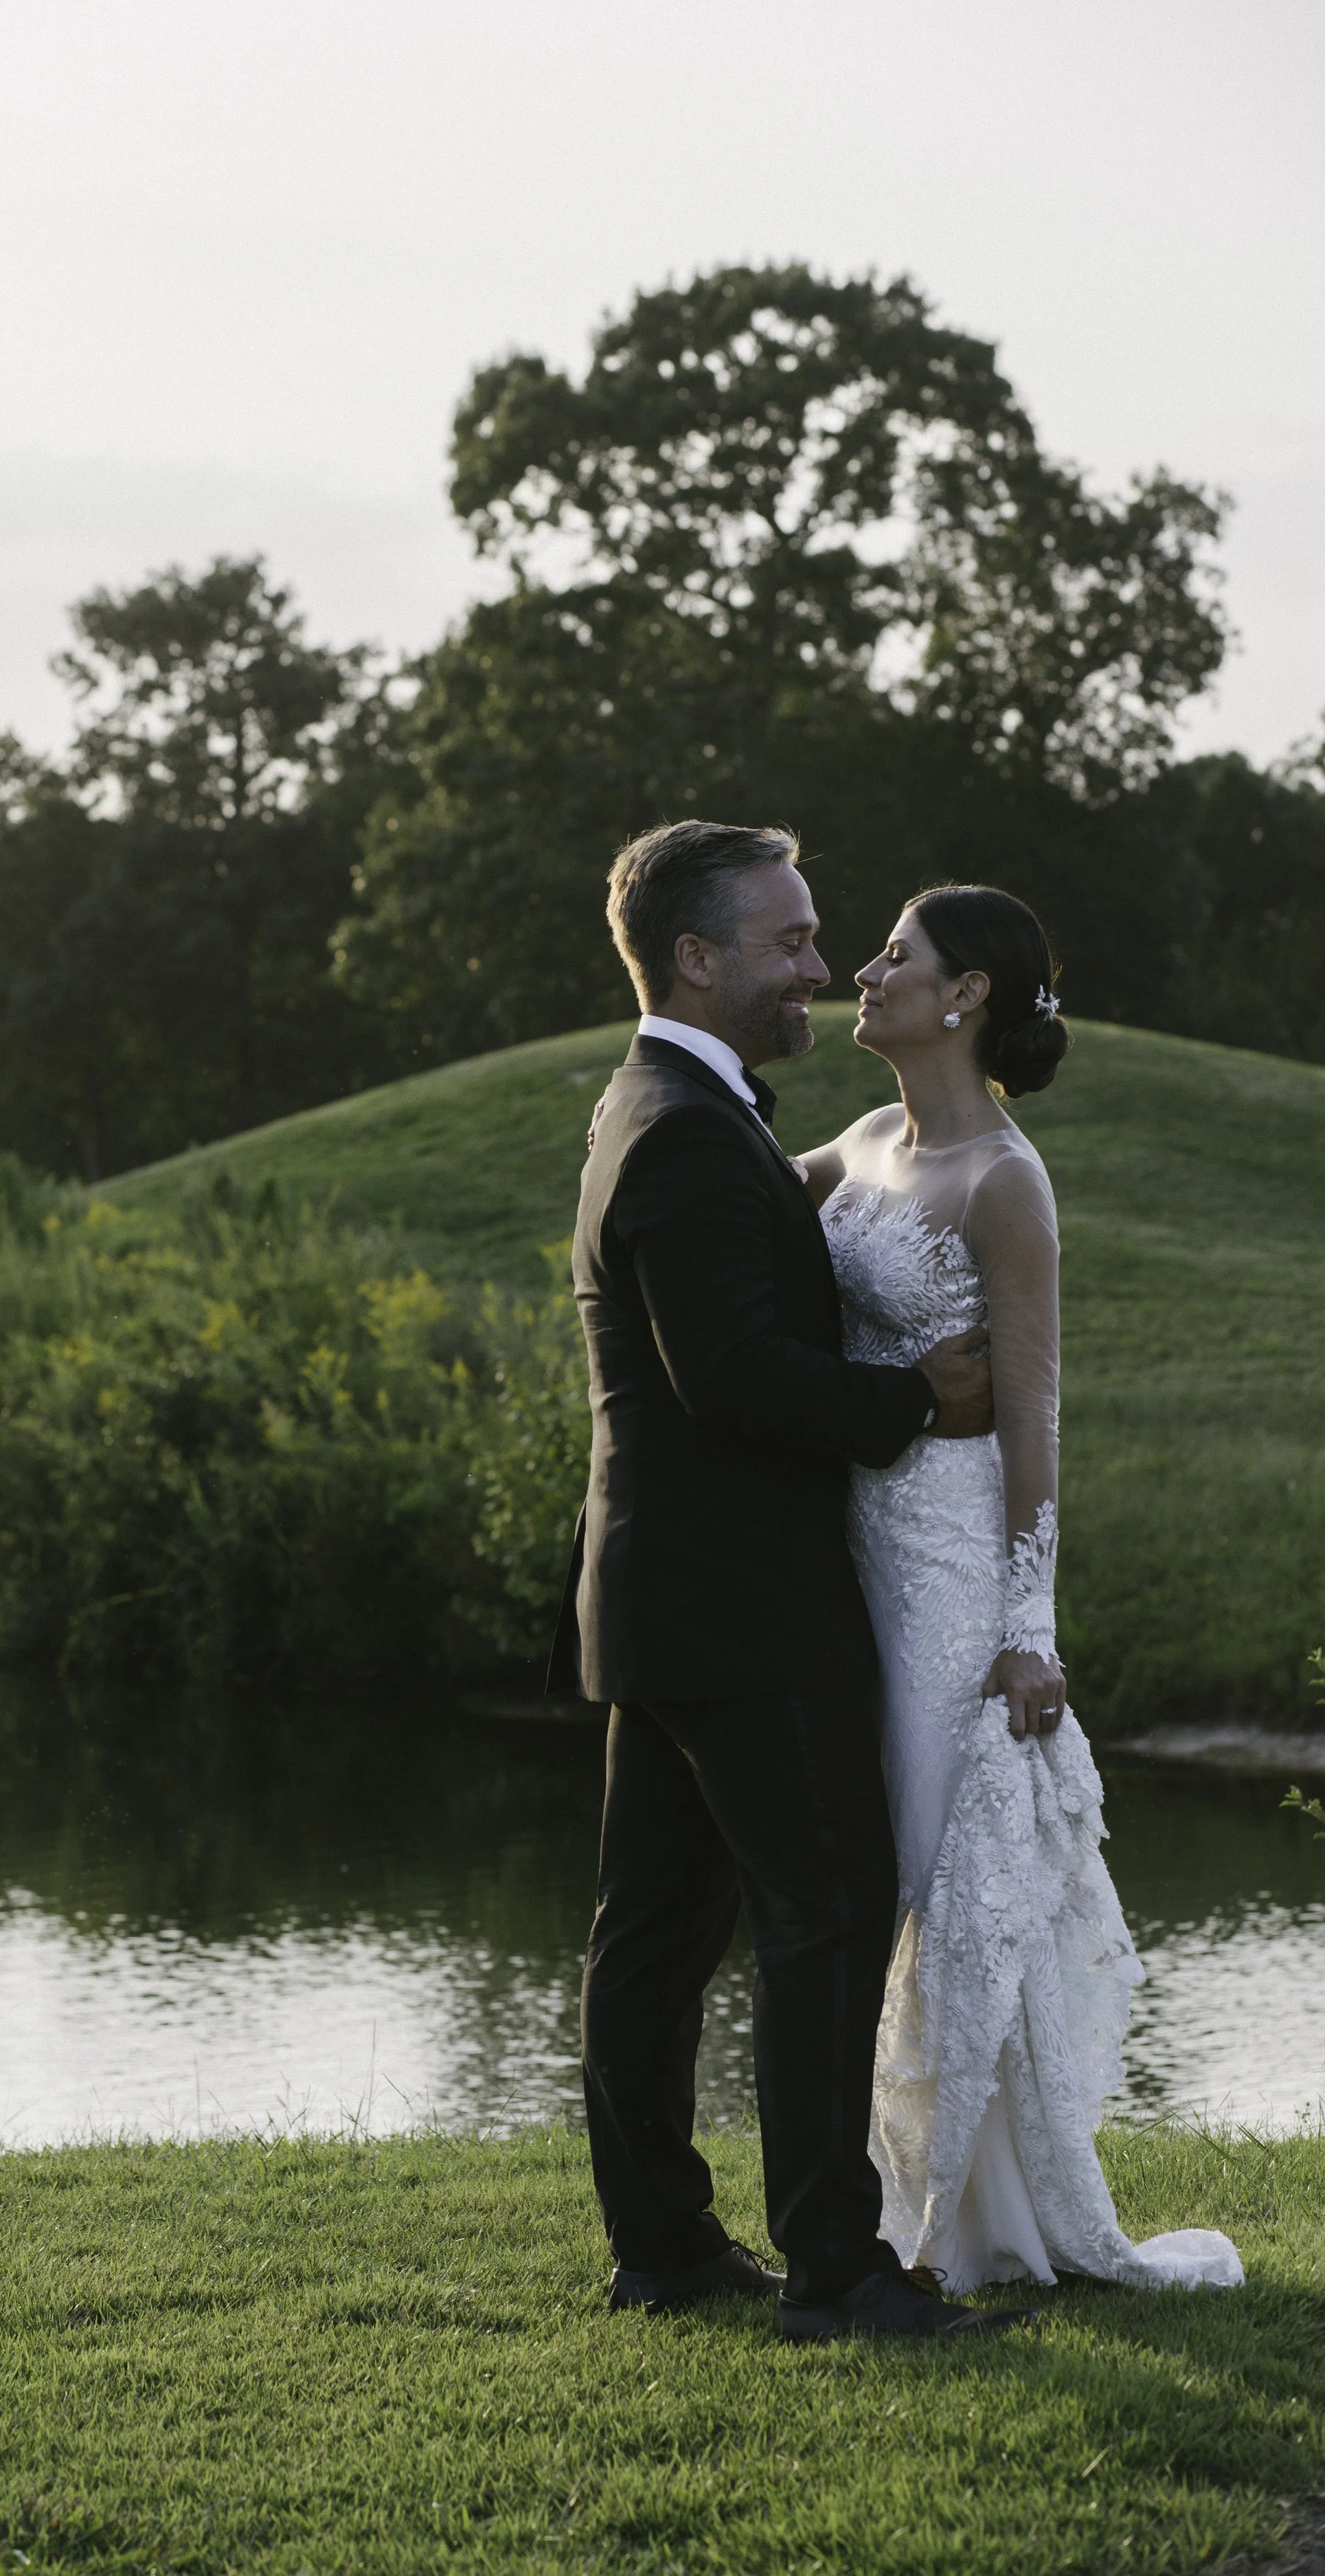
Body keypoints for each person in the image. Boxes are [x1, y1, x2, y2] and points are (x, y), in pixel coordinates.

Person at [548, 819, 1039, 2340]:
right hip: (742, 1604)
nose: (818, 968)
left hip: (665, 1597)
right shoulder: (688, 1128)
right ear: (697, 958)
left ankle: (668, 2245)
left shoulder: (667, 1107)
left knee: (655, 1932)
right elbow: (732, 1378)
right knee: (824, 1908)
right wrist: (916, 1406)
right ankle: (834, 2264)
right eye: (788, 942)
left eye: (823, 939)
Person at [795, 884, 1242, 2292]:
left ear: (965, 992)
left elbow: (1037, 1410)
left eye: (894, 957)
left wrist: (1025, 1633)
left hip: (947, 1574)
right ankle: (867, 2199)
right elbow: (741, 1193)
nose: (861, 973)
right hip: (844, 1551)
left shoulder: (1004, 1182)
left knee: (949, 1886)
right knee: (862, 1876)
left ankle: (959, 2223)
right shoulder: (863, 1141)